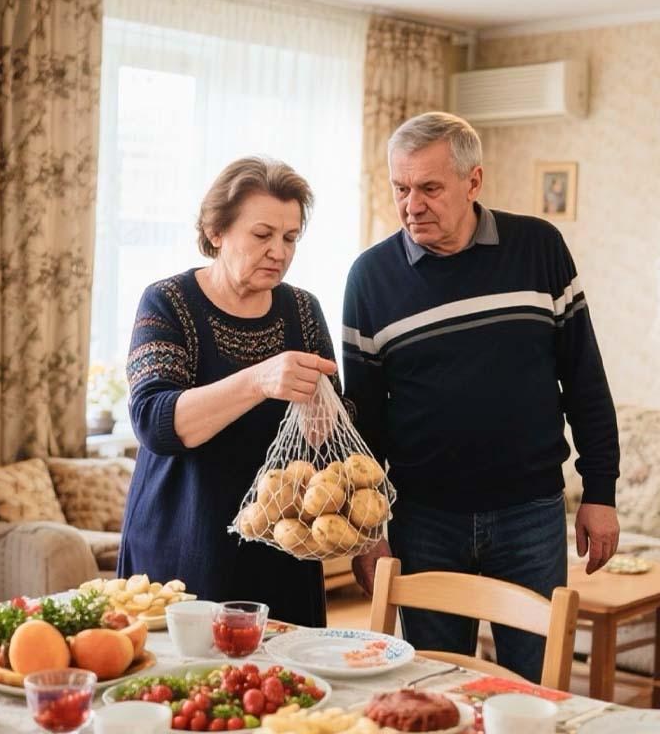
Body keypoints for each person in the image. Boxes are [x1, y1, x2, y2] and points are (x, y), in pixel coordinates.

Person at [342, 111, 620, 682]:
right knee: (435, 685)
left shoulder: (539, 247)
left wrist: (602, 490)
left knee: (537, 688)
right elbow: (362, 425)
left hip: (531, 514)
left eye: (429, 188)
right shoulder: (369, 278)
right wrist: (368, 531)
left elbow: (584, 377)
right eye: (400, 188)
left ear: (473, 182)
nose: (411, 204)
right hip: (423, 520)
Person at [118, 156, 337, 627]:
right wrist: (260, 379)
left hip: (283, 554)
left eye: (290, 238)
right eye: (262, 235)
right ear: (216, 231)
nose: (278, 251)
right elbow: (157, 422)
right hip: (181, 550)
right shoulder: (167, 302)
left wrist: (327, 417)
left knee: (292, 694)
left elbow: (331, 431)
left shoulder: (303, 310)